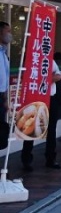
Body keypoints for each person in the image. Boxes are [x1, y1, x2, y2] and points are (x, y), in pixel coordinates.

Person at [21, 53, 61, 171]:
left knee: (51, 129)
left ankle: (50, 158)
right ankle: (26, 160)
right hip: (35, 98)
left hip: (51, 98)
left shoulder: (49, 60)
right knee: (31, 128)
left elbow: (58, 76)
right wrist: (46, 79)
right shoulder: (31, 61)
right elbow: (27, 77)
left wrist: (44, 79)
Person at [0, 22, 11, 150]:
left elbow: (4, 79)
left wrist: (5, 99)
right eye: (7, 31)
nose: (10, 35)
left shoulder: (4, 53)